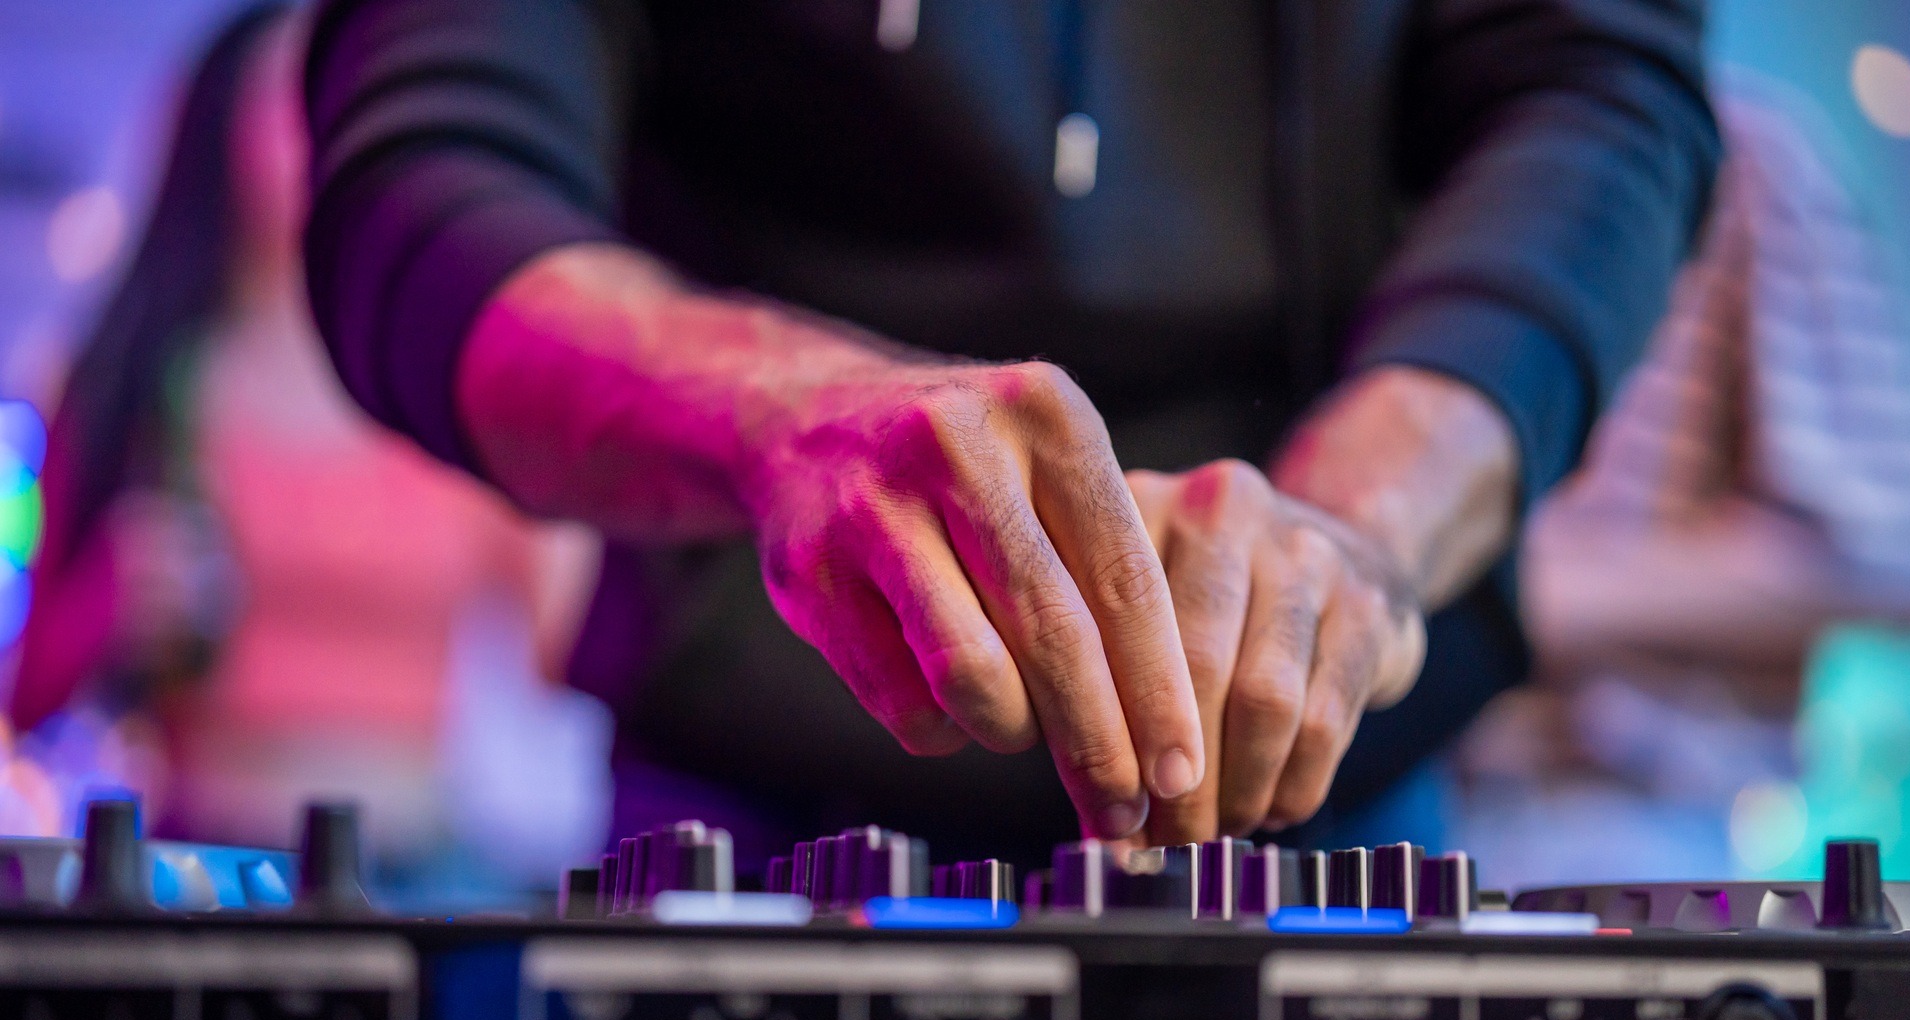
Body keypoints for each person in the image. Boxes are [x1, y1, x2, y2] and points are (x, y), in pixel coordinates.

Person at [304, 0, 1719, 867]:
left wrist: (1355, 524)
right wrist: (787, 415)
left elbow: (1599, 109)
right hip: (745, 797)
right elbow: (424, 186)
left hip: (1322, 804)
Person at [12, 4, 608, 901]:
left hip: (426, 867)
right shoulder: (147, 384)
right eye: (309, 98)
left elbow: (569, 655)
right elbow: (28, 694)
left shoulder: (449, 380)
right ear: (228, 123)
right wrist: (110, 596)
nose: (337, 131)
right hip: (205, 865)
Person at [1451, 76, 1910, 886]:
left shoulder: (1743, 154)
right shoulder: (1365, 156)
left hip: (1593, 817)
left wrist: (1494, 590)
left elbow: (1884, 552)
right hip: (1352, 803)